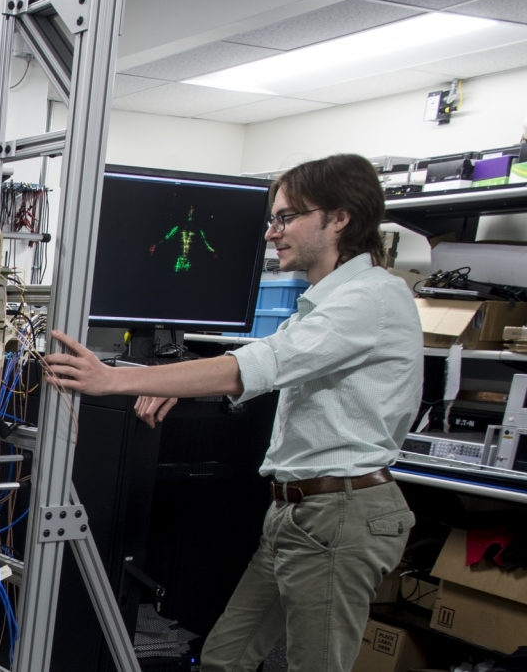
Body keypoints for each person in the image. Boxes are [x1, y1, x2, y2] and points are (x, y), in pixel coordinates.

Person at [42, 154, 421, 672]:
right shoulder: (324, 303)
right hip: (296, 514)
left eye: (286, 217)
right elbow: (268, 363)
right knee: (225, 659)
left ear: (339, 218)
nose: (271, 233)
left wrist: (116, 379)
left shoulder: (370, 299)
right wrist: (177, 381)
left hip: (340, 513)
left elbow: (260, 364)